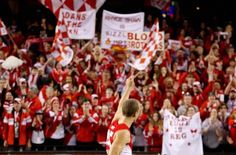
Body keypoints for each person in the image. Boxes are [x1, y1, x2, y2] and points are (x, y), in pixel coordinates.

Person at [106, 73, 141, 155]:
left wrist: (128, 88)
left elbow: (121, 104)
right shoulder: (123, 132)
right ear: (135, 114)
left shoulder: (117, 119)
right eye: (139, 111)